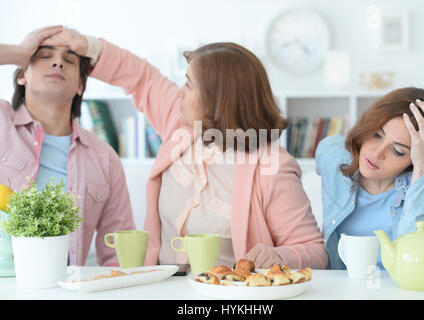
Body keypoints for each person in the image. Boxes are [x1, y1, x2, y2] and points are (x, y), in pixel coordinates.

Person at [42, 27, 329, 269]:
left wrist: (280, 256)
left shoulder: (271, 165)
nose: (179, 92)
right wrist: (89, 46)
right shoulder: (182, 128)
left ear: (219, 99)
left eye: (189, 84)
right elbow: (143, 77)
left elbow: (314, 250)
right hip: (159, 288)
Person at [0, 26, 136, 266]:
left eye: (69, 61)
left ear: (80, 85)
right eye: (44, 56)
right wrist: (17, 52)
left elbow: (119, 257)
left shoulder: (104, 159)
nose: (58, 63)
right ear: (22, 75)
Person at [315, 87, 424, 270]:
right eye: (377, 135)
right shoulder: (332, 156)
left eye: (398, 151)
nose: (376, 153)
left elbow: (419, 266)